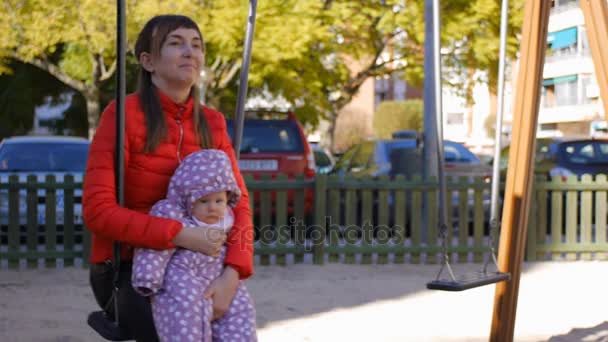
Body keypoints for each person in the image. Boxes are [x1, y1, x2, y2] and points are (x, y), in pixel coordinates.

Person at [83, 14, 254, 342]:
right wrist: (179, 235)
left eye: (196, 45)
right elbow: (97, 210)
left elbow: (240, 205)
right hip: (132, 266)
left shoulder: (212, 123)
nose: (190, 52)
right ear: (148, 61)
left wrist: (233, 273)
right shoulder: (122, 115)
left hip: (201, 262)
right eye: (176, 43)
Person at [131, 149, 256, 341]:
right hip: (184, 272)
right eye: (203, 200)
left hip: (218, 272)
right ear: (188, 199)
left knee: (239, 310)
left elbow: (240, 239)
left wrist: (233, 272)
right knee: (185, 311)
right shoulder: (174, 215)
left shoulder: (229, 218)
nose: (212, 207)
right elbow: (154, 250)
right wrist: (147, 279)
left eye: (219, 200)